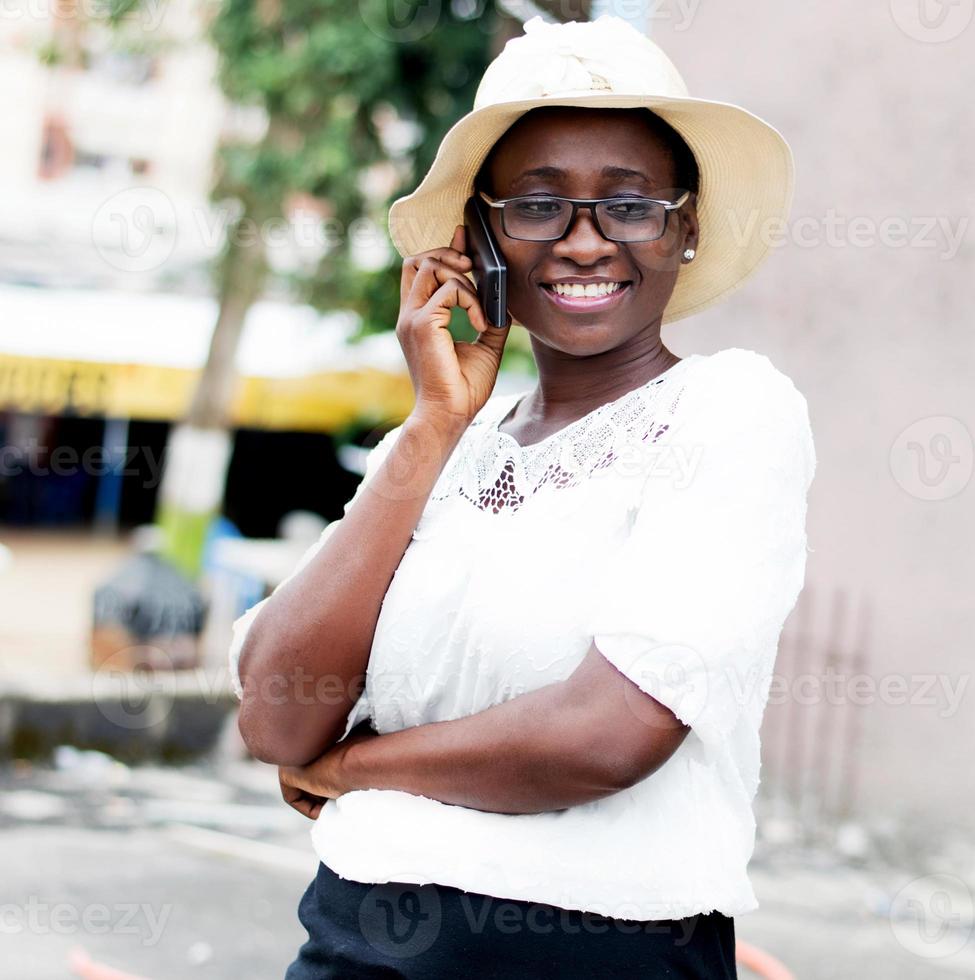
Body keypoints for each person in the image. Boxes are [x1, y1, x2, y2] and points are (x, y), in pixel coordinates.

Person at [229, 15, 815, 979]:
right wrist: (428, 430)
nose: (585, 243)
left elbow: (603, 736)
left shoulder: (731, 412)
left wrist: (350, 769)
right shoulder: (445, 449)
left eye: (630, 206)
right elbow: (278, 716)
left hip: (592, 954)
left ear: (688, 226)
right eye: (538, 207)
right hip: (355, 940)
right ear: (480, 241)